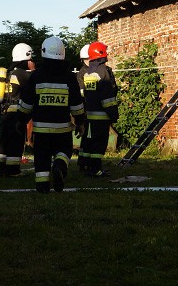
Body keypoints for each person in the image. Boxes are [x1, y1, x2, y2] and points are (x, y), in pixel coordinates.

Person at [18, 36, 85, 193]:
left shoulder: (36, 76)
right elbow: (77, 105)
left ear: (44, 52)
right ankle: (59, 167)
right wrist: (80, 122)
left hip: (41, 131)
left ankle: (42, 187)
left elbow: (26, 103)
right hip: (63, 129)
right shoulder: (69, 77)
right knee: (64, 152)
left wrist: (20, 120)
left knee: (42, 158)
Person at [80, 41, 119, 177]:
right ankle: (96, 170)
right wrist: (113, 114)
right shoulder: (103, 71)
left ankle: (88, 167)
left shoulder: (89, 72)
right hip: (101, 116)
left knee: (90, 142)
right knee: (99, 144)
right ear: (101, 53)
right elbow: (107, 97)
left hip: (90, 115)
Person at [0, 43, 35, 176]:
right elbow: (34, 85)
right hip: (16, 112)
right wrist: (33, 70)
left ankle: (0, 168)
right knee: (15, 141)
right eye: (30, 58)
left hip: (5, 111)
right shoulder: (22, 74)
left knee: (4, 141)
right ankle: (13, 170)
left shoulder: (8, 72)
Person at [75, 44, 90, 171]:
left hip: (86, 108)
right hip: (86, 109)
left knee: (87, 136)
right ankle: (84, 162)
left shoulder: (83, 72)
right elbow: (82, 93)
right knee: (86, 136)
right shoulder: (83, 73)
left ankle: (83, 161)